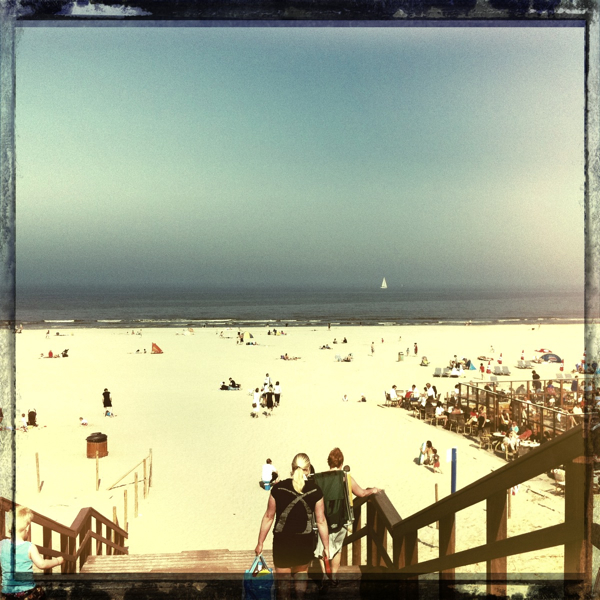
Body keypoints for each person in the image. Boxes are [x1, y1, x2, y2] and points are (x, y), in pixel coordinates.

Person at [255, 453, 330, 600]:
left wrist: (260, 542)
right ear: (308, 469)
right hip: (304, 542)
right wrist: (326, 546)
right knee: (301, 576)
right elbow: (321, 521)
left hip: (282, 542)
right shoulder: (316, 491)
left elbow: (269, 516)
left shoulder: (278, 489)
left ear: (292, 468)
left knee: (283, 586)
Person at [314, 448, 380, 587]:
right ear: (341, 463)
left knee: (322, 549)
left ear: (329, 462)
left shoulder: (319, 478)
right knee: (337, 549)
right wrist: (373, 490)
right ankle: (334, 577)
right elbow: (361, 493)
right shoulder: (345, 477)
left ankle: (325, 577)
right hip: (340, 519)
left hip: (323, 520)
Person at [1, 506, 64, 598]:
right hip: (25, 593)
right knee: (40, 593)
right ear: (27, 528)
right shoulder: (29, 547)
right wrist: (57, 561)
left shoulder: (2, 544)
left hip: (7, 593)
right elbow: (42, 564)